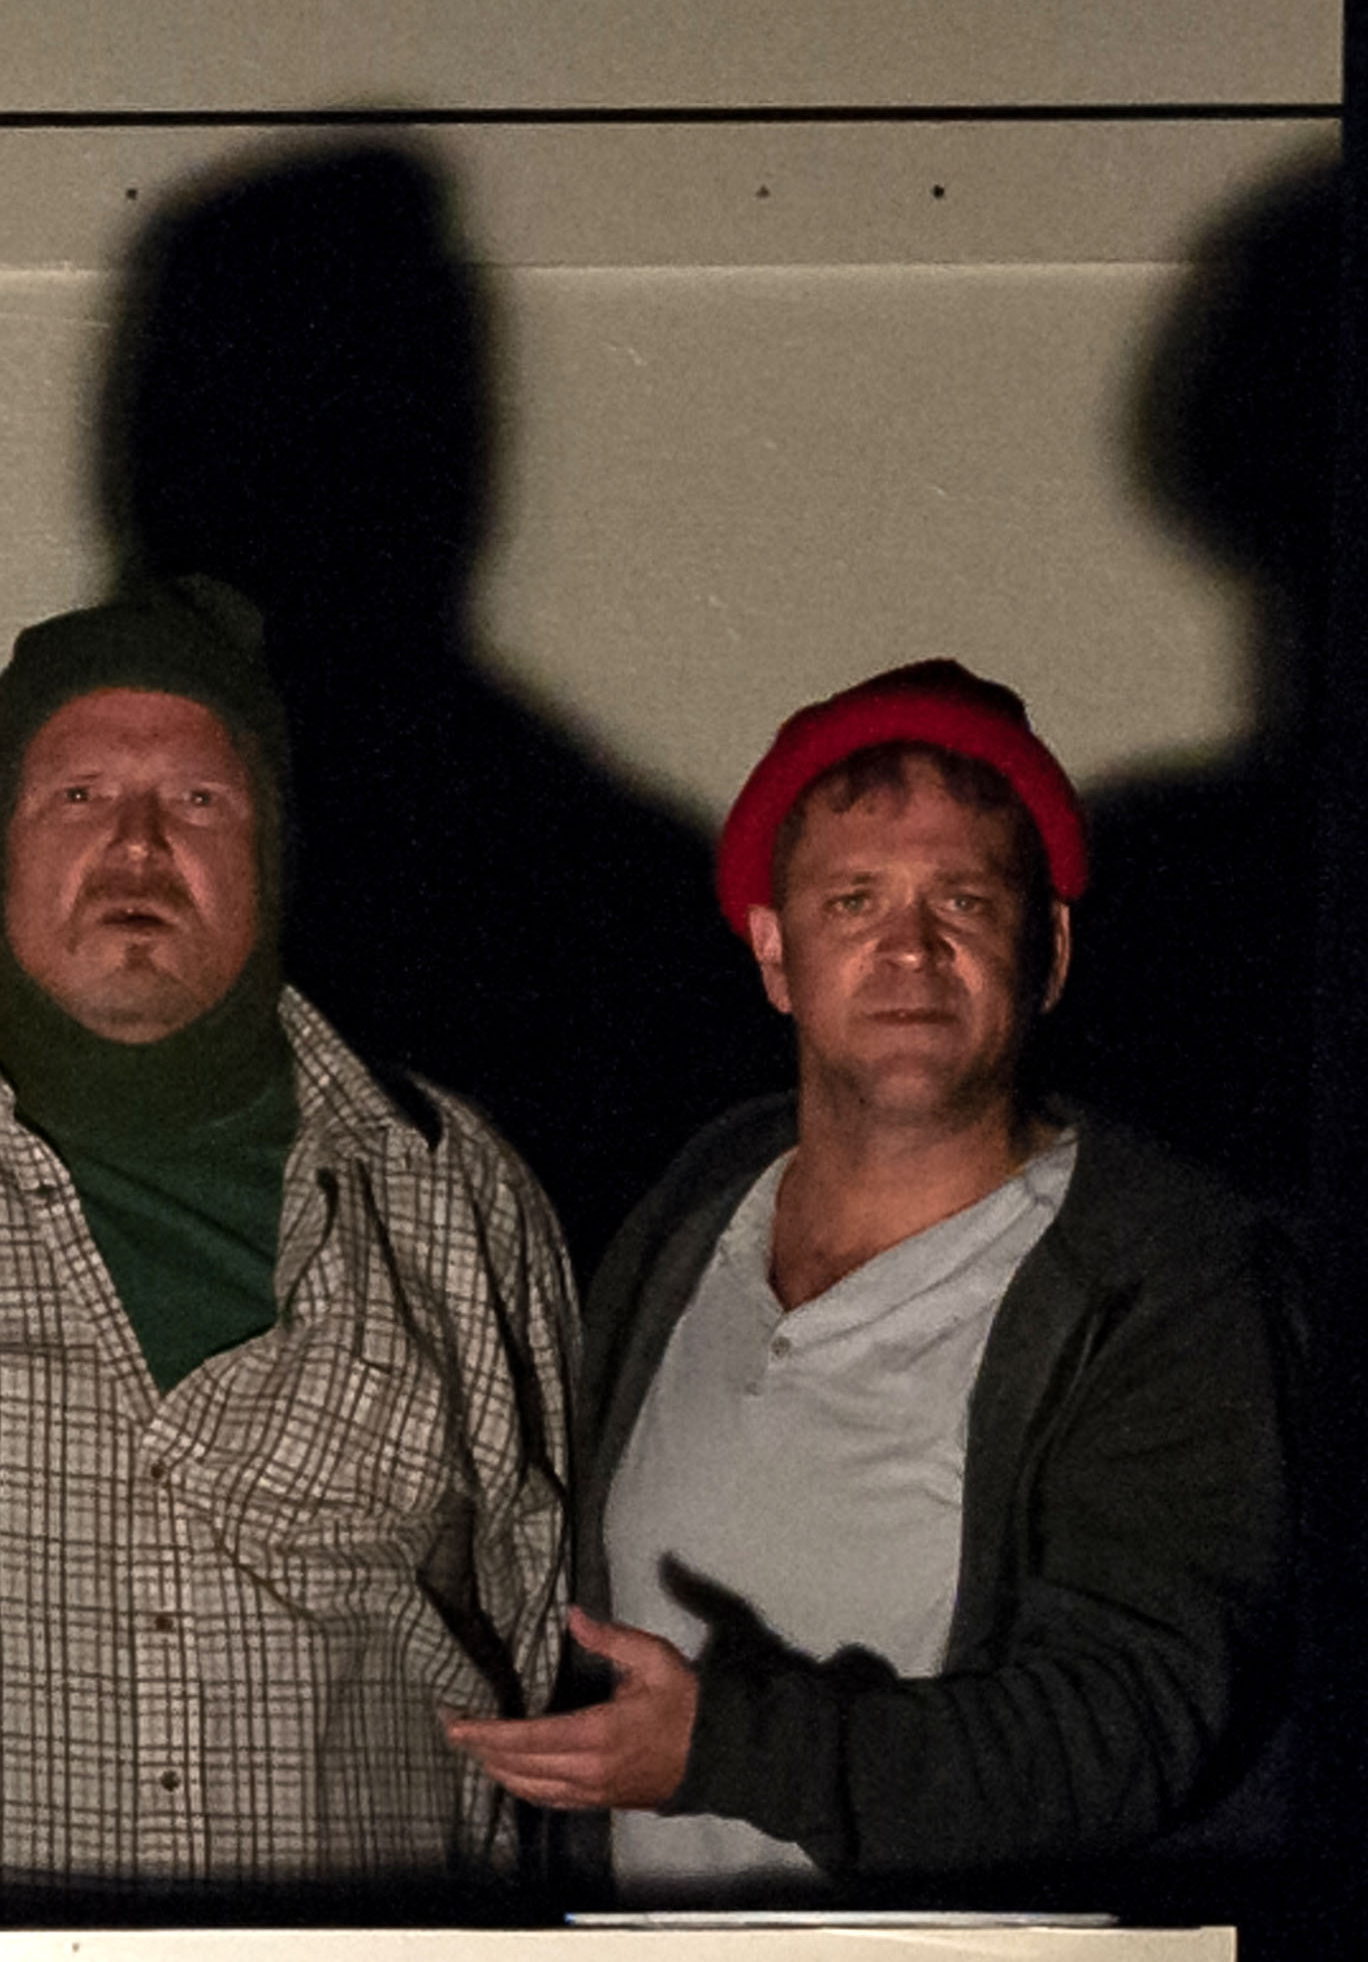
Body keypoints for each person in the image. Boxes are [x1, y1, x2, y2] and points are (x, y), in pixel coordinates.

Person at [449, 660, 1295, 1898]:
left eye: (963, 898)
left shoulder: (1162, 1277)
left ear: (1046, 949)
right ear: (774, 953)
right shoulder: (691, 1208)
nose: (909, 947)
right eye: (851, 901)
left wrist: (728, 1750)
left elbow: (1134, 1723)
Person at [0, 585, 574, 1902]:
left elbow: (544, 1626)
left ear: (272, 849)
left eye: (201, 801)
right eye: (81, 798)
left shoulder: (457, 1193)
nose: (141, 849)